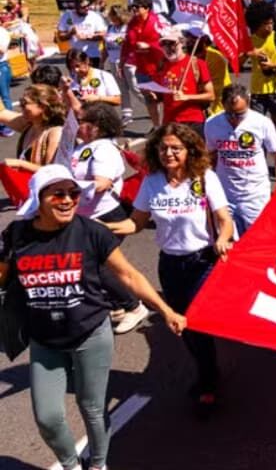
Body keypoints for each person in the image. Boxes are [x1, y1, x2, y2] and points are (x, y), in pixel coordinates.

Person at [0, 165, 186, 470]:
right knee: (47, 416)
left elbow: (128, 275)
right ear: (38, 197)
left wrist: (165, 310)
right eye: (57, 193)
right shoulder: (17, 234)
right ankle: (71, 465)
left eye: (73, 193)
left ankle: (99, 465)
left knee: (92, 407)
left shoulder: (90, 231)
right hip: (45, 340)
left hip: (90, 334)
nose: (67, 200)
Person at [105, 124, 234, 415]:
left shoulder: (204, 178)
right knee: (182, 323)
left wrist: (224, 239)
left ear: (189, 150)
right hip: (170, 265)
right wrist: (100, 227)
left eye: (176, 148)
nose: (169, 153)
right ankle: (207, 367)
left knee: (197, 321)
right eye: (163, 148)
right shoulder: (151, 183)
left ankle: (208, 381)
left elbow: (225, 218)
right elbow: (135, 224)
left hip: (203, 261)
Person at [70, 102, 150, 333]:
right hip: (86, 215)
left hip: (105, 215)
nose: (78, 126)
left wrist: (69, 189)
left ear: (97, 127)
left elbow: (101, 183)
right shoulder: (82, 146)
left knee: (98, 264)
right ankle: (118, 305)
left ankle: (133, 307)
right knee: (96, 263)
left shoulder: (103, 149)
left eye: (83, 122)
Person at [204, 85, 276, 235]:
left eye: (240, 114)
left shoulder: (262, 123)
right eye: (229, 114)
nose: (234, 119)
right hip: (225, 195)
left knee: (258, 240)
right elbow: (211, 156)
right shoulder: (212, 124)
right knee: (227, 243)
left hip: (255, 196)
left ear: (249, 102)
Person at [244, 3, 276, 141]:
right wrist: (250, 53)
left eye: (272, 23)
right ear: (257, 24)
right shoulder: (250, 41)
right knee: (257, 126)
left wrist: (273, 65)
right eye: (266, 24)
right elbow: (236, 63)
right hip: (257, 90)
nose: (270, 26)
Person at [153, 27, 213, 136]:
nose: (168, 48)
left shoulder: (197, 64)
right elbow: (160, 95)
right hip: (169, 122)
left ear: (182, 43)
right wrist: (153, 95)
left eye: (171, 43)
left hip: (193, 121)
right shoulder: (162, 65)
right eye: (164, 44)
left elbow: (211, 95)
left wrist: (187, 97)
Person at [119, 0, 166, 128]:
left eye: (137, 7)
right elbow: (127, 44)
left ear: (147, 8)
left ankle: (169, 125)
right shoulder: (132, 23)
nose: (133, 9)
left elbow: (168, 41)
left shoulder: (157, 21)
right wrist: (122, 63)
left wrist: (150, 46)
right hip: (142, 67)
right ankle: (157, 127)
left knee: (165, 98)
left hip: (159, 67)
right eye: (132, 7)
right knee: (149, 99)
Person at [0, 84, 66, 173]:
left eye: (25, 103)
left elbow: (52, 171)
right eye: (21, 102)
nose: (21, 106)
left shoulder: (55, 132)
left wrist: (21, 164)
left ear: (42, 106)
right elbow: (2, 113)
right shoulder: (29, 124)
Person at [56, 0, 107, 68]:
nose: (87, 8)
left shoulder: (94, 16)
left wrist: (86, 37)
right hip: (75, 56)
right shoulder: (67, 16)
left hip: (92, 55)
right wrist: (70, 33)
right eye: (83, 7)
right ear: (76, 7)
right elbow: (61, 37)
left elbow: (103, 35)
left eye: (87, 5)